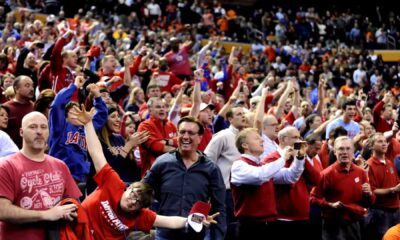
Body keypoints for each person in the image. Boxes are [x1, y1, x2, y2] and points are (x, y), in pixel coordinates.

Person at [70, 108, 219, 240]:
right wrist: (88, 124)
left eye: (138, 204)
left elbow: (170, 221)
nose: (133, 202)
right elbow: (96, 153)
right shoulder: (112, 183)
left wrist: (195, 220)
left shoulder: (140, 215)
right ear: (128, 188)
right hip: (76, 233)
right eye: (134, 195)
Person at [0, 111, 81, 240]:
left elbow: (74, 203)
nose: (39, 131)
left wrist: (70, 211)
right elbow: (2, 210)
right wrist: (45, 214)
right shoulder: (7, 166)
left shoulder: (60, 165)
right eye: (33, 127)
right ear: (21, 132)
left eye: (43, 127)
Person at [144, 116, 226, 240]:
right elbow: (143, 191)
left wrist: (217, 236)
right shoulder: (162, 162)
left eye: (191, 133)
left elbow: (219, 207)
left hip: (197, 234)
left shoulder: (211, 169)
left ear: (200, 138)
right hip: (165, 233)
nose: (186, 137)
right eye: (182, 132)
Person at [231, 128, 306, 239]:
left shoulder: (261, 166)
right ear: (245, 145)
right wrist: (283, 158)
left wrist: (299, 158)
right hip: (250, 227)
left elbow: (290, 177)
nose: (262, 140)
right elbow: (259, 176)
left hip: (269, 224)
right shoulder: (239, 165)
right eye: (257, 138)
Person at [311, 136, 375, 240]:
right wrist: (329, 205)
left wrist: (369, 194)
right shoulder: (326, 174)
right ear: (335, 152)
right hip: (333, 225)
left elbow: (369, 203)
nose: (345, 152)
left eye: (348, 148)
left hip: (355, 224)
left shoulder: (361, 172)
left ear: (353, 151)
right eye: (341, 149)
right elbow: (313, 198)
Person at [262, 126, 318, 240]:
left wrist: (301, 157)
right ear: (282, 140)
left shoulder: (300, 157)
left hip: (303, 216)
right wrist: (297, 159)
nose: (299, 141)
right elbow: (289, 182)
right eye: (295, 138)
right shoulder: (272, 159)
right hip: (282, 218)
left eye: (299, 137)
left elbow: (316, 179)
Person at [48, 76, 107, 183]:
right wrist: (74, 86)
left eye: (78, 111)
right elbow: (57, 105)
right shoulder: (61, 126)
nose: (78, 114)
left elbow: (102, 116)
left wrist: (97, 96)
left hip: (79, 180)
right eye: (73, 112)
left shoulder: (86, 127)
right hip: (57, 177)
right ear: (65, 116)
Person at [204, 106, 247, 239]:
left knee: (238, 230)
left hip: (243, 192)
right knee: (224, 230)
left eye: (244, 114)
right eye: (239, 114)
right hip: (225, 192)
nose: (243, 116)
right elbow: (207, 161)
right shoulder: (223, 136)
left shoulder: (248, 137)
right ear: (229, 119)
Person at [365, 133, 400, 240]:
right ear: (371, 146)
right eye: (380, 141)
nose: (384, 144)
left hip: (395, 210)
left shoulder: (389, 162)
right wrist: (392, 190)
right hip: (380, 212)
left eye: (385, 141)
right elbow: (372, 190)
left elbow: (396, 182)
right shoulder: (369, 165)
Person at [137, 97, 177, 177]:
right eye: (158, 107)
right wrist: (177, 150)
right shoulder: (144, 126)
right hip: (153, 174)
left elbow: (180, 140)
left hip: (172, 171)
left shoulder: (171, 125)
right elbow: (155, 147)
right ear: (150, 110)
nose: (162, 109)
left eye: (163, 107)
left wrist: (167, 142)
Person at [3, 75, 34, 148]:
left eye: (32, 86)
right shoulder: (5, 108)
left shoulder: (36, 108)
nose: (32, 89)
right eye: (27, 86)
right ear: (16, 89)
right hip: (10, 154)